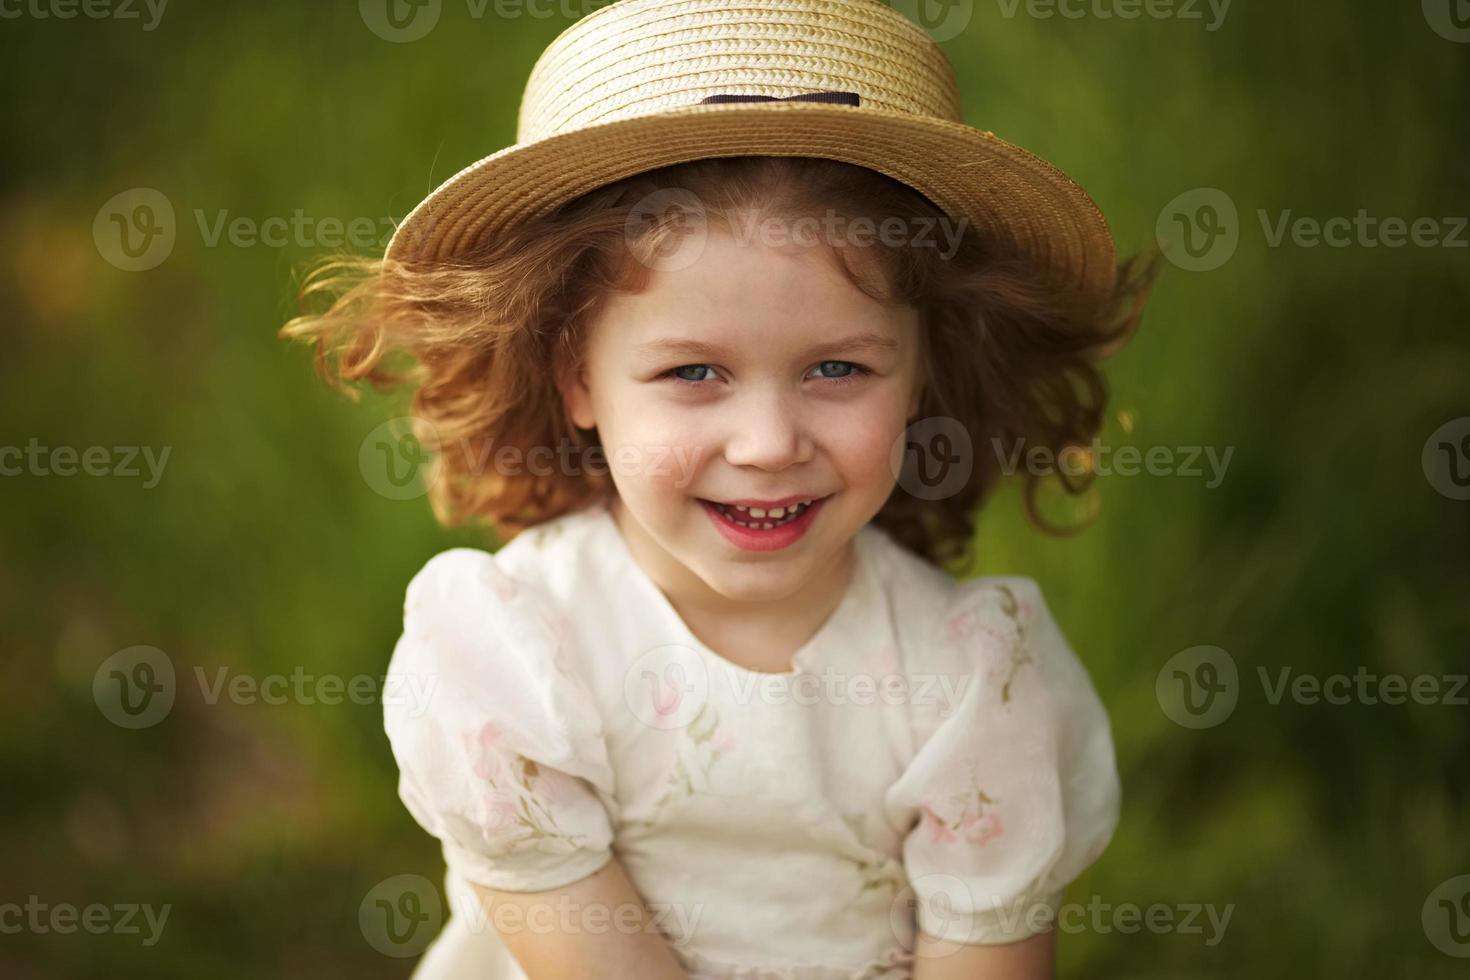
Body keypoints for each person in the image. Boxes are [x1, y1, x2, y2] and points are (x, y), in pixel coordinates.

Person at [280, 1, 1161, 976]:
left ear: (923, 372)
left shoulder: (968, 685)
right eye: (694, 373)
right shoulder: (523, 655)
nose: (769, 441)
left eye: (838, 369)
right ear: (577, 375)